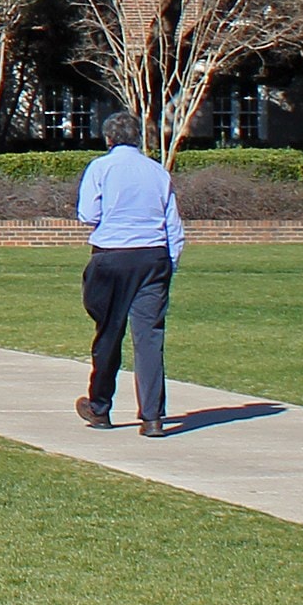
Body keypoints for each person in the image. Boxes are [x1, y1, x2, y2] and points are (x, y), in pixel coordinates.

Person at [75, 112, 186, 438]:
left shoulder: (100, 168)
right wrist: (170, 263)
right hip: (153, 257)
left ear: (109, 139)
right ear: (138, 138)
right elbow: (173, 225)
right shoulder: (157, 171)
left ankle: (100, 407)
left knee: (109, 332)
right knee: (149, 338)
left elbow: (88, 214)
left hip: (112, 258)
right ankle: (152, 417)